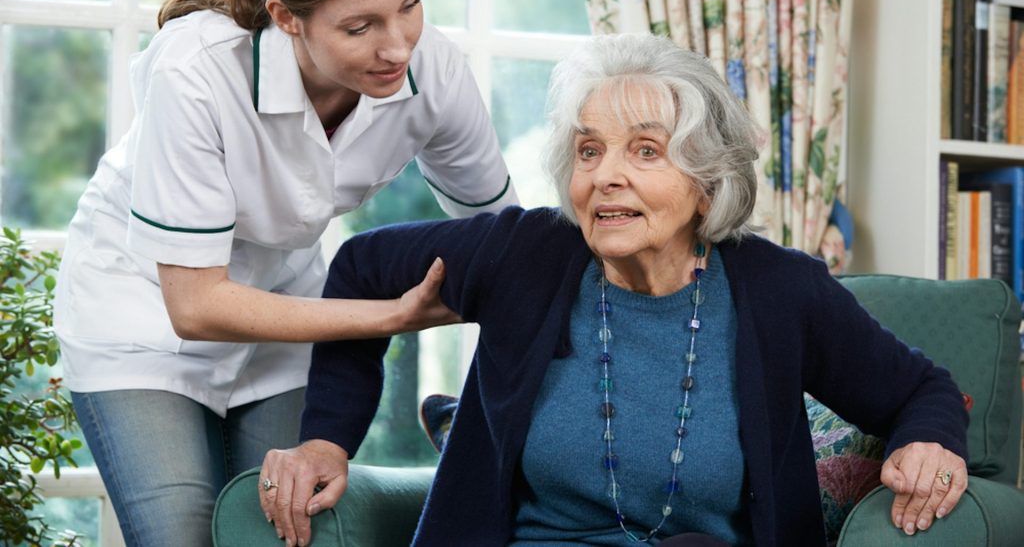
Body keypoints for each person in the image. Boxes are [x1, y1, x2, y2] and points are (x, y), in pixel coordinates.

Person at [260, 32, 970, 547]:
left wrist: (929, 442)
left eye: (646, 150)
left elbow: (922, 390)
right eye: (589, 150)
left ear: (706, 181)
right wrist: (327, 437)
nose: (606, 175)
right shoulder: (527, 253)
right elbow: (356, 267)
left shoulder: (778, 289)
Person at [52, 0, 517, 547]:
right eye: (360, 27)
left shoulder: (431, 72)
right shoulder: (196, 68)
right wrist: (386, 316)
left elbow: (501, 235)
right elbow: (195, 302)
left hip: (282, 317)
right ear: (287, 15)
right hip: (143, 316)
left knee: (277, 534)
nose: (398, 47)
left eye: (409, 6)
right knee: (183, 536)